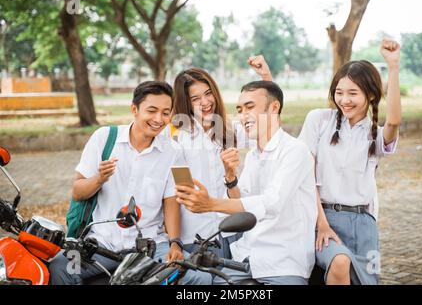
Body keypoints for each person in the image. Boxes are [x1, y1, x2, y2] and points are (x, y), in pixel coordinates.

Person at [49, 81, 208, 285]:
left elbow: (172, 201)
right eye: (152, 111)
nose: (159, 119)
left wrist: (175, 243)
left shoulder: (174, 152)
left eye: (166, 113)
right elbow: (78, 192)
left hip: (150, 248)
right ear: (134, 109)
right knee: (61, 268)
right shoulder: (104, 137)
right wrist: (99, 179)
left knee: (199, 278)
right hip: (99, 245)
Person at [175, 81, 318, 285]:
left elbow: (272, 204)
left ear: (274, 107)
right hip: (245, 259)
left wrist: (211, 204)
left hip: (283, 263)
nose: (243, 116)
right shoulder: (252, 156)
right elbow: (242, 203)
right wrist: (231, 178)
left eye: (250, 107)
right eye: (240, 110)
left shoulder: (295, 151)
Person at [298, 39, 402, 285]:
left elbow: (394, 122)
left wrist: (394, 67)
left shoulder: (374, 135)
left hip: (364, 226)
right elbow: (304, 176)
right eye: (339, 92)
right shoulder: (318, 121)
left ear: (371, 95)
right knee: (339, 262)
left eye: (353, 93)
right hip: (321, 219)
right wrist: (321, 223)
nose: (344, 100)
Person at [168, 56, 273, 256]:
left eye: (208, 94)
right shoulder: (178, 137)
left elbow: (267, 124)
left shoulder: (227, 130)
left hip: (231, 231)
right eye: (196, 98)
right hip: (197, 236)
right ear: (186, 103)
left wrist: (265, 77)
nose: (206, 102)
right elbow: (182, 191)